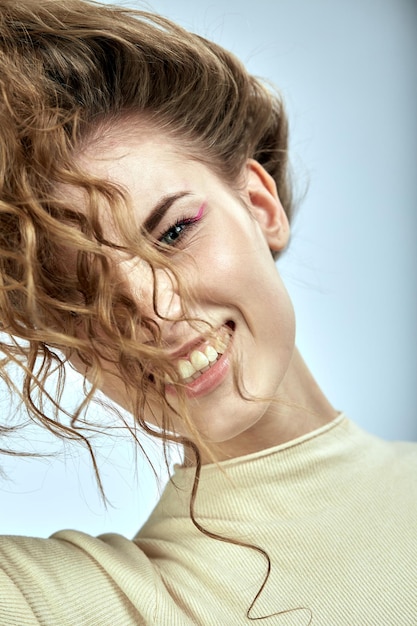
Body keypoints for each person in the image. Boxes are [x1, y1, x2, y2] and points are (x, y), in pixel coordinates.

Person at [0, 0, 415, 624]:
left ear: (259, 203)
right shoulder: (97, 602)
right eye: (81, 291)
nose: (154, 310)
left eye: (172, 233)